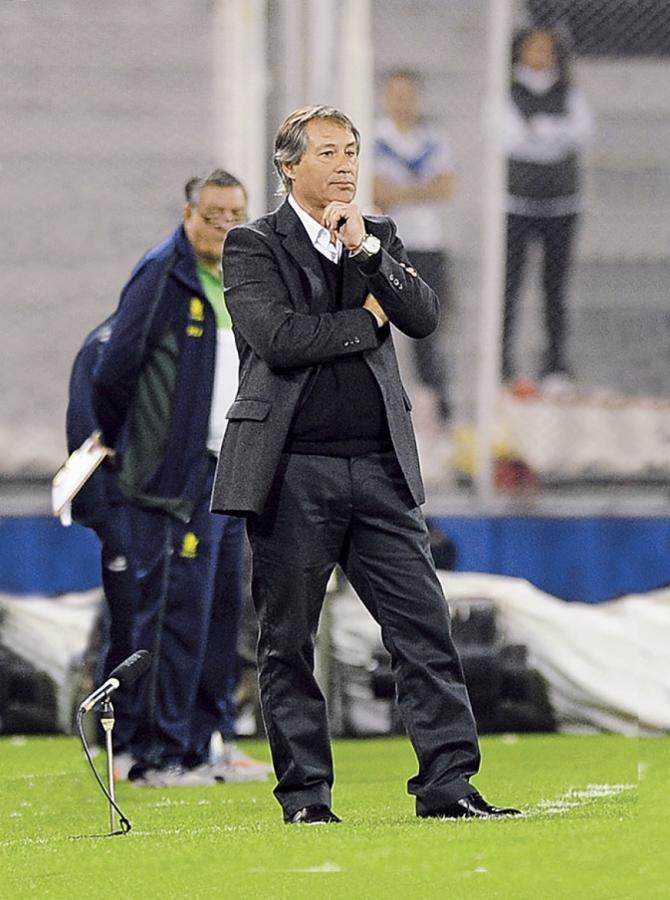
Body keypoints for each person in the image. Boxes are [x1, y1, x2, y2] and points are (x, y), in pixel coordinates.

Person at [211, 106, 521, 823]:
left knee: (424, 628)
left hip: (382, 469)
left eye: (352, 150)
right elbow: (280, 338)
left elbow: (422, 316)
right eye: (329, 152)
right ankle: (307, 799)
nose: (347, 163)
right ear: (289, 165)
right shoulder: (253, 245)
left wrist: (373, 260)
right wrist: (365, 321)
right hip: (291, 473)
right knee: (287, 643)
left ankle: (449, 786)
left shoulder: (375, 236)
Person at [93, 169, 271, 787]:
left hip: (226, 469)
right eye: (213, 214)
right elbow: (112, 370)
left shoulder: (240, 278)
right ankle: (152, 754)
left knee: (221, 612)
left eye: (234, 214)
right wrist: (135, 448)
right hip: (175, 478)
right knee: (170, 613)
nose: (224, 224)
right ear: (188, 213)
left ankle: (205, 742)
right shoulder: (161, 275)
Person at [502, 26, 594, 388]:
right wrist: (555, 133)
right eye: (532, 47)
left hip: (561, 204)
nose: (539, 54)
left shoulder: (569, 93)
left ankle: (555, 362)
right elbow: (509, 139)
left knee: (555, 287)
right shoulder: (507, 93)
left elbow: (582, 132)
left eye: (545, 48)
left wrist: (538, 129)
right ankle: (503, 360)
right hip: (517, 203)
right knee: (509, 285)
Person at [66, 315, 138, 757]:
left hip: (154, 504)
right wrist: (99, 510)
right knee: (128, 619)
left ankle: (188, 736)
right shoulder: (106, 345)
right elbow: (86, 435)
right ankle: (115, 735)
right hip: (119, 503)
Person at [373, 69, 455, 423]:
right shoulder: (375, 137)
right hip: (387, 244)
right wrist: (422, 188)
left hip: (427, 243)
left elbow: (446, 187)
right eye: (396, 94)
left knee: (426, 331)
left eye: (408, 94)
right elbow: (378, 193)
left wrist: (400, 191)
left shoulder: (433, 138)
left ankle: (434, 411)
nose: (402, 102)